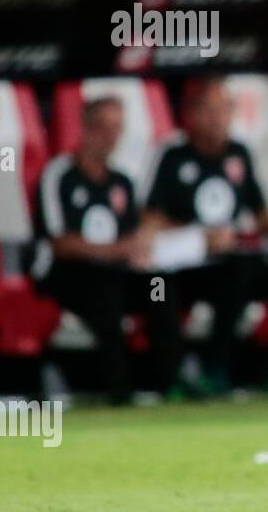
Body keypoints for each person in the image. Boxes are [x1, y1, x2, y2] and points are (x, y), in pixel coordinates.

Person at [142, 76, 268, 395]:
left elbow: (259, 212)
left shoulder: (238, 154)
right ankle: (214, 369)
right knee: (232, 271)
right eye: (211, 110)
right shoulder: (173, 155)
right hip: (190, 265)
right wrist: (200, 236)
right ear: (192, 114)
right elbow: (149, 219)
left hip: (232, 256)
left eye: (226, 110)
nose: (220, 118)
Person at [32, 96, 181, 404]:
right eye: (103, 127)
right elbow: (59, 243)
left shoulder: (122, 183)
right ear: (85, 129)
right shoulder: (59, 175)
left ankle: (170, 384)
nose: (110, 136)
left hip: (115, 272)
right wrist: (116, 250)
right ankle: (119, 390)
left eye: (117, 128)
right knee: (104, 290)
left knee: (160, 288)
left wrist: (142, 245)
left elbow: (131, 235)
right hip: (64, 274)